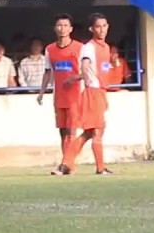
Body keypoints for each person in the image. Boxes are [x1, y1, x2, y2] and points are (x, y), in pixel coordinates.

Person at [52, 14, 113, 176]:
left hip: (101, 91)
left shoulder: (106, 47)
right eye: (98, 26)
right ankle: (100, 168)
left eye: (104, 26)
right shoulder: (89, 47)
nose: (102, 30)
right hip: (93, 91)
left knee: (89, 132)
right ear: (91, 29)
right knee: (97, 130)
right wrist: (86, 79)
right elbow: (85, 65)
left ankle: (66, 164)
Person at [37, 14, 82, 162]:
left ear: (71, 29)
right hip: (59, 96)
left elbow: (88, 71)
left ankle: (68, 163)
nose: (62, 28)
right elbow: (47, 71)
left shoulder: (80, 48)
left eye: (65, 25)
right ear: (55, 28)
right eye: (59, 25)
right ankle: (66, 161)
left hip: (75, 96)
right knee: (62, 131)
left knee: (71, 131)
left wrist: (75, 77)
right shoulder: (50, 49)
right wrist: (41, 92)